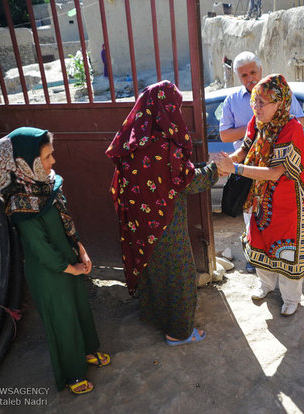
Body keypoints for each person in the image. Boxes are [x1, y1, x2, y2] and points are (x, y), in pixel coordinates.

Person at [0, 127, 110, 395]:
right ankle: (73, 373)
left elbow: (67, 221)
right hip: (49, 273)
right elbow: (41, 249)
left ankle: (89, 351)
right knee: (62, 319)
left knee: (80, 308)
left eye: (51, 155)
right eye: (46, 157)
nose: (53, 162)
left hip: (70, 261)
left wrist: (81, 250)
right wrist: (71, 268)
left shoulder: (49, 185)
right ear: (24, 163)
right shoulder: (20, 203)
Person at [106, 80, 218, 346]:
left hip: (139, 224)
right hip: (167, 225)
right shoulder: (166, 148)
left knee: (151, 269)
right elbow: (189, 181)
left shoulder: (131, 143)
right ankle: (178, 333)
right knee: (179, 276)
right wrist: (214, 170)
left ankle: (154, 316)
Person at [215, 74, 304, 317]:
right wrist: (224, 163)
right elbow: (245, 149)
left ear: (280, 103)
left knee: (287, 247)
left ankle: (292, 298)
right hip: (260, 197)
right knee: (258, 241)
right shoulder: (257, 122)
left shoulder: (291, 129)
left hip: (289, 201)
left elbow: (275, 173)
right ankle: (266, 285)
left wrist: (235, 169)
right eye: (255, 101)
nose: (257, 107)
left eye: (263, 102)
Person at [219, 51, 304, 273]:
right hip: (251, 180)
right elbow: (231, 139)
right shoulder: (241, 109)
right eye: (244, 75)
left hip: (279, 186)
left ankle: (289, 292)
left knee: (282, 235)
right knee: (254, 229)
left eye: (253, 72)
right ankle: (259, 270)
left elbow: (276, 171)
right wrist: (258, 125)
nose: (250, 78)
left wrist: (269, 124)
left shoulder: (287, 114)